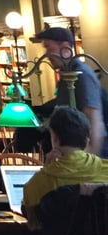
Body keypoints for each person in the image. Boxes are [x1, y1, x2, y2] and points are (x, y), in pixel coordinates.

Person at [22, 105, 108, 228]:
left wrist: (46, 171)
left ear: (55, 138)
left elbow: (33, 224)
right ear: (87, 138)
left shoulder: (37, 183)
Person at [33, 26, 108, 157]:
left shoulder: (81, 74)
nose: (46, 55)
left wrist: (90, 159)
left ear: (66, 47)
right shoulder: (66, 75)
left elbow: (94, 120)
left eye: (49, 48)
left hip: (91, 156)